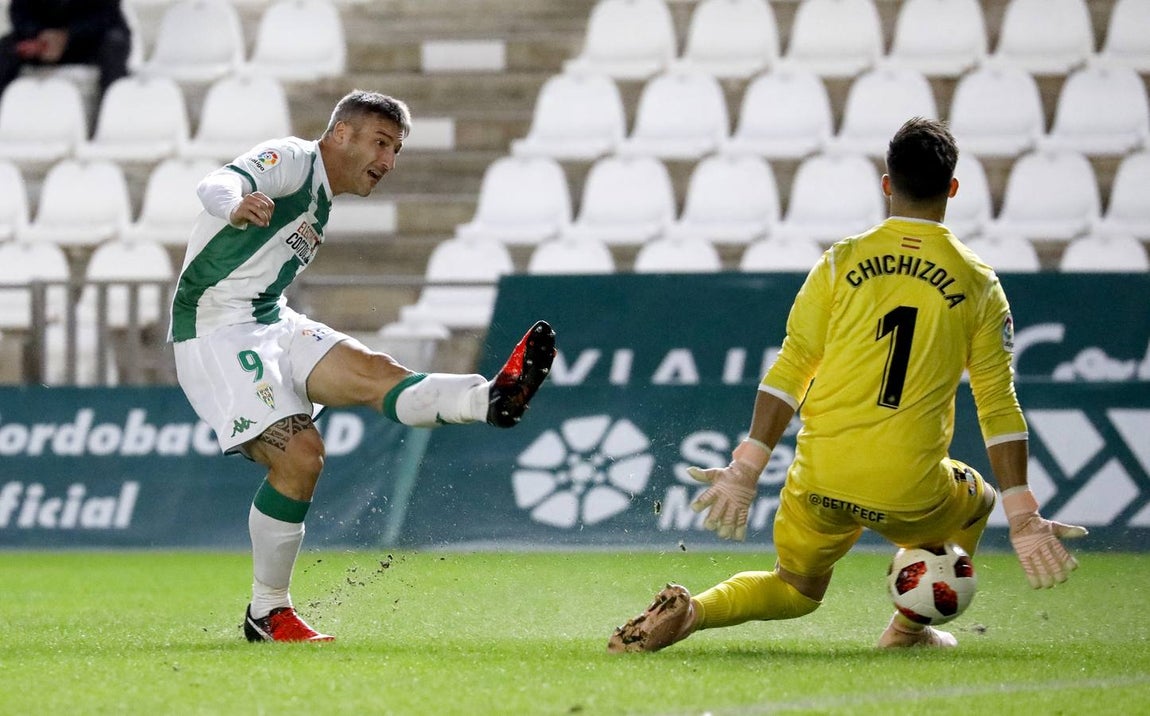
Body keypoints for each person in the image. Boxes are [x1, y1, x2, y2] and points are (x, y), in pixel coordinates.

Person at [607, 117, 1086, 653]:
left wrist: (746, 468)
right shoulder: (978, 284)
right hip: (911, 488)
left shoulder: (840, 262)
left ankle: (694, 611)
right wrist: (1023, 515)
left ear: (887, 184)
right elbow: (997, 405)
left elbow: (791, 369)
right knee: (979, 498)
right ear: (952, 188)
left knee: (795, 590)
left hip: (820, 476)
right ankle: (907, 631)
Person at [169, 90, 556, 643]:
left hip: (269, 317)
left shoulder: (323, 199)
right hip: (214, 328)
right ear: (341, 134)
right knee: (300, 456)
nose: (388, 161)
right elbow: (217, 182)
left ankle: (488, 400)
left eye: (396, 149)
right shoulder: (294, 160)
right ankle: (267, 612)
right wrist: (234, 204)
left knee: (378, 373)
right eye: (380, 143)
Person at [0, 0, 130, 102]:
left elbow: (107, 14)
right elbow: (18, 12)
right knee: (6, 48)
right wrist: (39, 35)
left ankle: (115, 113)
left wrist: (68, 36)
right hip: (40, 41)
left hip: (88, 40)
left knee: (115, 43)